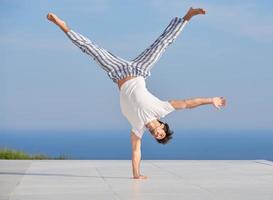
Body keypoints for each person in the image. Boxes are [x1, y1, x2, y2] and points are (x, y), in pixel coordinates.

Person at [47, 7, 226, 179]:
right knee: (163, 43)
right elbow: (187, 103)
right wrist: (211, 100)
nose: (158, 135)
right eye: (162, 134)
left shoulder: (137, 128)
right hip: (140, 69)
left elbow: (135, 151)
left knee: (91, 49)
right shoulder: (162, 110)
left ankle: (61, 25)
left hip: (118, 72)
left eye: (158, 138)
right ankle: (188, 15)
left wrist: (136, 174)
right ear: (163, 127)